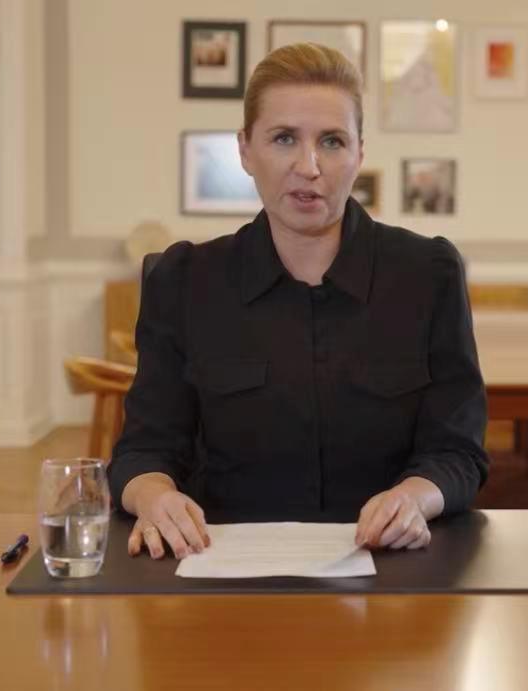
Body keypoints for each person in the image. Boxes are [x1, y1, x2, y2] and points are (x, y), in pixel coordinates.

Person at [109, 43, 488, 561]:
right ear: (245, 150)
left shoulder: (429, 274)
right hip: (221, 569)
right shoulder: (183, 280)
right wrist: (154, 497)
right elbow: (144, 450)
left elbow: (458, 450)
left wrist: (415, 498)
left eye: (332, 141)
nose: (309, 167)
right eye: (284, 138)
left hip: (392, 567)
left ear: (359, 153)